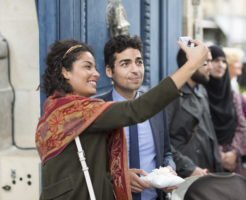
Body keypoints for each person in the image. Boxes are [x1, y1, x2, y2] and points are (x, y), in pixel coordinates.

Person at [35, 38, 209, 200]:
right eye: (87, 67)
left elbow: (83, 168)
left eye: (95, 67)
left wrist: (120, 175)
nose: (96, 74)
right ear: (65, 71)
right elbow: (137, 109)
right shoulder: (78, 112)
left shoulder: (59, 110)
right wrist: (191, 65)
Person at [94, 35, 176, 200]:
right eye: (125, 64)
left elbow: (166, 152)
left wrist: (169, 170)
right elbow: (89, 166)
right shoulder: (97, 109)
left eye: (139, 62)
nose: (135, 70)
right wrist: (118, 178)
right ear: (109, 71)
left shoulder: (156, 107)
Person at [166, 48, 223, 178]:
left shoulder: (201, 91)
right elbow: (162, 141)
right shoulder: (172, 94)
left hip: (205, 172)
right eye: (205, 62)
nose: (210, 67)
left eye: (210, 61)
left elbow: (209, 134)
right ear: (189, 64)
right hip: (184, 176)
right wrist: (188, 167)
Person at [204, 45, 246, 173]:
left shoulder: (232, 93)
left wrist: (233, 152)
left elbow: (241, 125)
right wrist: (219, 155)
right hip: (207, 159)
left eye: (224, 61)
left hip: (232, 161)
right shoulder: (201, 93)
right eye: (216, 60)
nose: (221, 65)